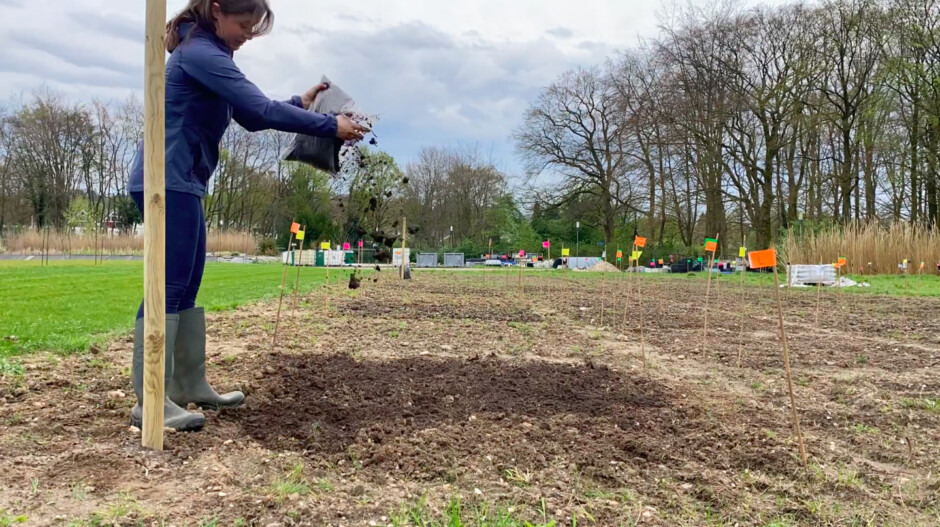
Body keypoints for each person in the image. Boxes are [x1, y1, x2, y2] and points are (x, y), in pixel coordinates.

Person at [127, 0, 369, 432]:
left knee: (186, 285)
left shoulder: (208, 53)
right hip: (166, 179)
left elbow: (249, 115)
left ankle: (187, 384)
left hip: (184, 180)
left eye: (253, 30)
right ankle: (151, 399)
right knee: (168, 286)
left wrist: (301, 102)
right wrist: (330, 125)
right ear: (217, 11)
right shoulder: (201, 53)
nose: (247, 36)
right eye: (243, 25)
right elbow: (260, 111)